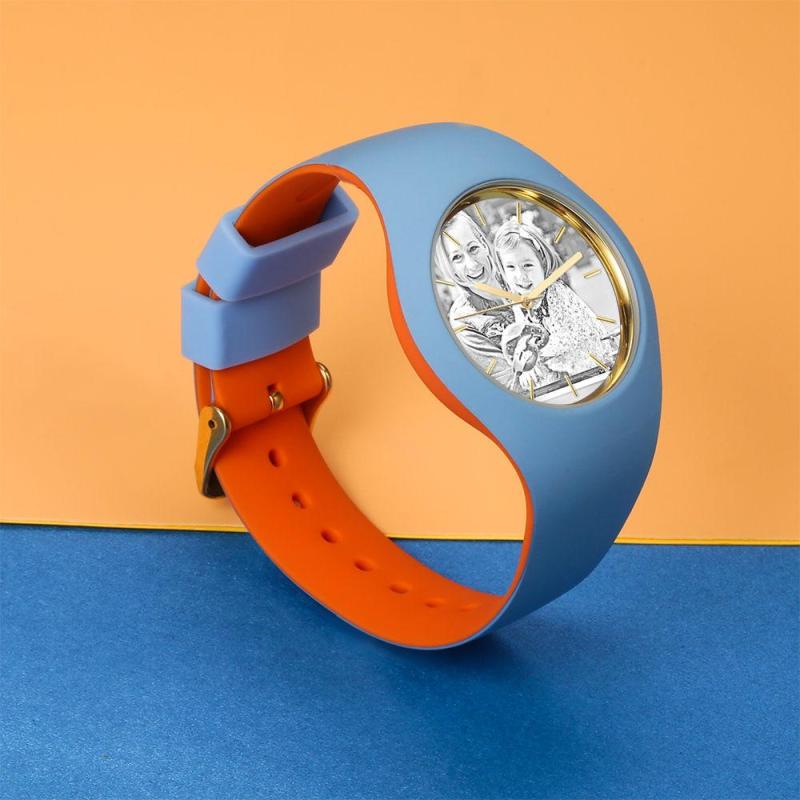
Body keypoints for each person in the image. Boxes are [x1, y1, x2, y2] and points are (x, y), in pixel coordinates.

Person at [492, 218, 614, 395]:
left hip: (592, 369)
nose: (520, 275)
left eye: (527, 265)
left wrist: (536, 355)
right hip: (564, 376)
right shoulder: (520, 303)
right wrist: (526, 366)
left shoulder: (556, 292)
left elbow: (571, 336)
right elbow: (525, 339)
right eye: (510, 267)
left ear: (542, 262)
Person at [434, 211, 514, 384]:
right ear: (449, 267)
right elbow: (510, 383)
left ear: (483, 243)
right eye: (457, 257)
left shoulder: (519, 273)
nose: (472, 265)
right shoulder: (463, 321)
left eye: (473, 248)